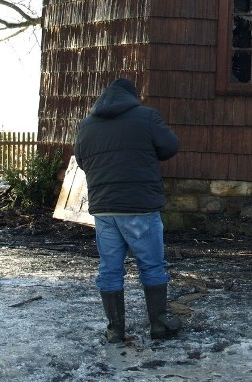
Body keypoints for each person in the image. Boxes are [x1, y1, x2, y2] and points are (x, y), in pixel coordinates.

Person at [74, 77, 181, 343]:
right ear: (133, 96)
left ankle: (115, 329)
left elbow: (82, 160)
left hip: (105, 209)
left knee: (110, 269)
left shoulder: (87, 125)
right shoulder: (146, 117)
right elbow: (170, 146)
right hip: (140, 206)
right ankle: (158, 323)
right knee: (152, 266)